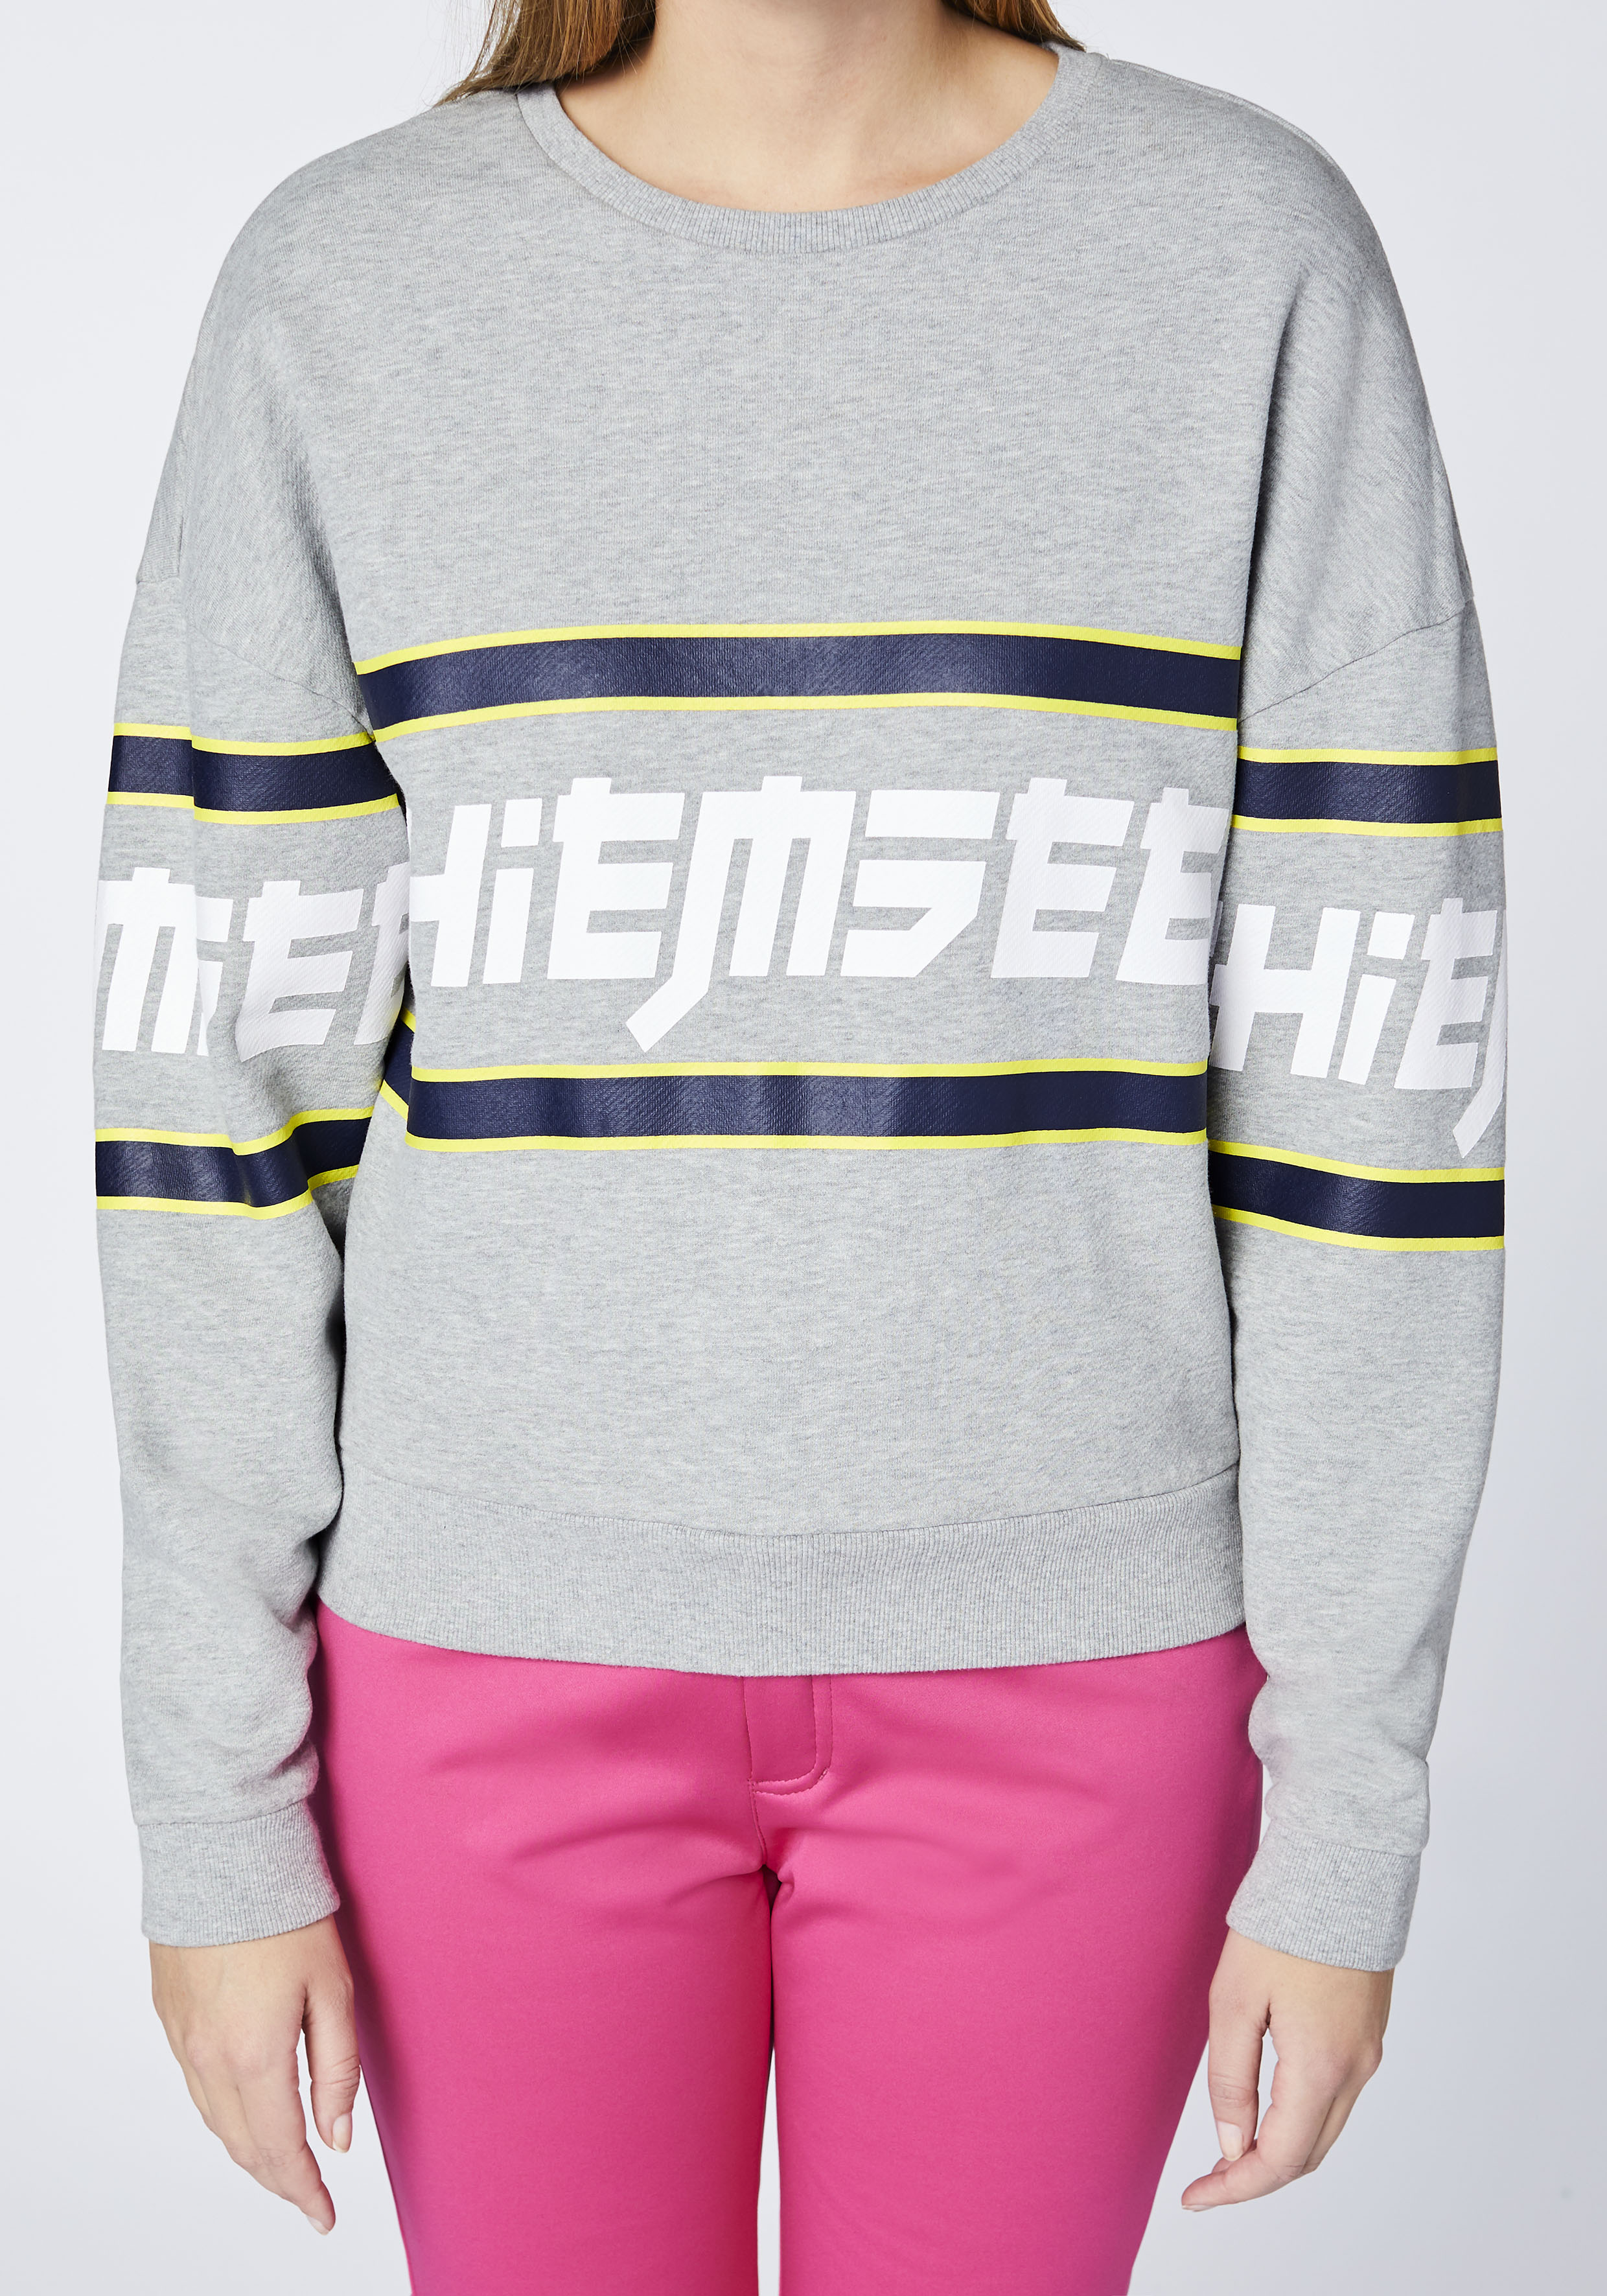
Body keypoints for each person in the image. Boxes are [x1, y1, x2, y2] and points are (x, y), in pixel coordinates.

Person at [93, 3, 1507, 2290]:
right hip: (486, 1675)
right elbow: (212, 1109)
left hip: (1080, 1684)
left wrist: (1347, 1815)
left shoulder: (1246, 254)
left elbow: (1377, 1098)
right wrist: (212, 1814)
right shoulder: (345, 283)